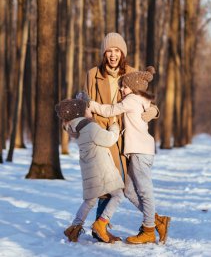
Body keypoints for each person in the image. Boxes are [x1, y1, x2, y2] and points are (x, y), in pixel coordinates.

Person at [83, 32, 159, 241]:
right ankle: (100, 228)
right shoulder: (92, 74)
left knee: (127, 186)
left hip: (127, 139)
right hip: (102, 134)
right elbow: (87, 103)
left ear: (122, 53)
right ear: (104, 53)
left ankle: (154, 220)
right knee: (107, 181)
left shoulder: (132, 73)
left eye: (117, 51)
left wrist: (154, 112)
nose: (113, 55)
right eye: (109, 50)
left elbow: (147, 103)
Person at [87, 66, 171, 244]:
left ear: (133, 88)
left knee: (144, 192)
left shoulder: (131, 99)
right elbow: (152, 107)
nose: (121, 89)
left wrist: (91, 104)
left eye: (124, 87)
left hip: (140, 152)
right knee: (129, 191)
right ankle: (157, 221)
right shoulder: (141, 98)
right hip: (141, 151)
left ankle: (149, 230)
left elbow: (109, 111)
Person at [55, 98, 124, 243]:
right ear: (80, 113)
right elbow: (109, 139)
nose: (90, 110)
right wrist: (115, 126)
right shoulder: (90, 127)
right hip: (101, 170)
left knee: (90, 200)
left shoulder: (75, 128)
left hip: (89, 171)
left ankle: (74, 228)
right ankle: (102, 222)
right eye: (87, 108)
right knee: (118, 194)